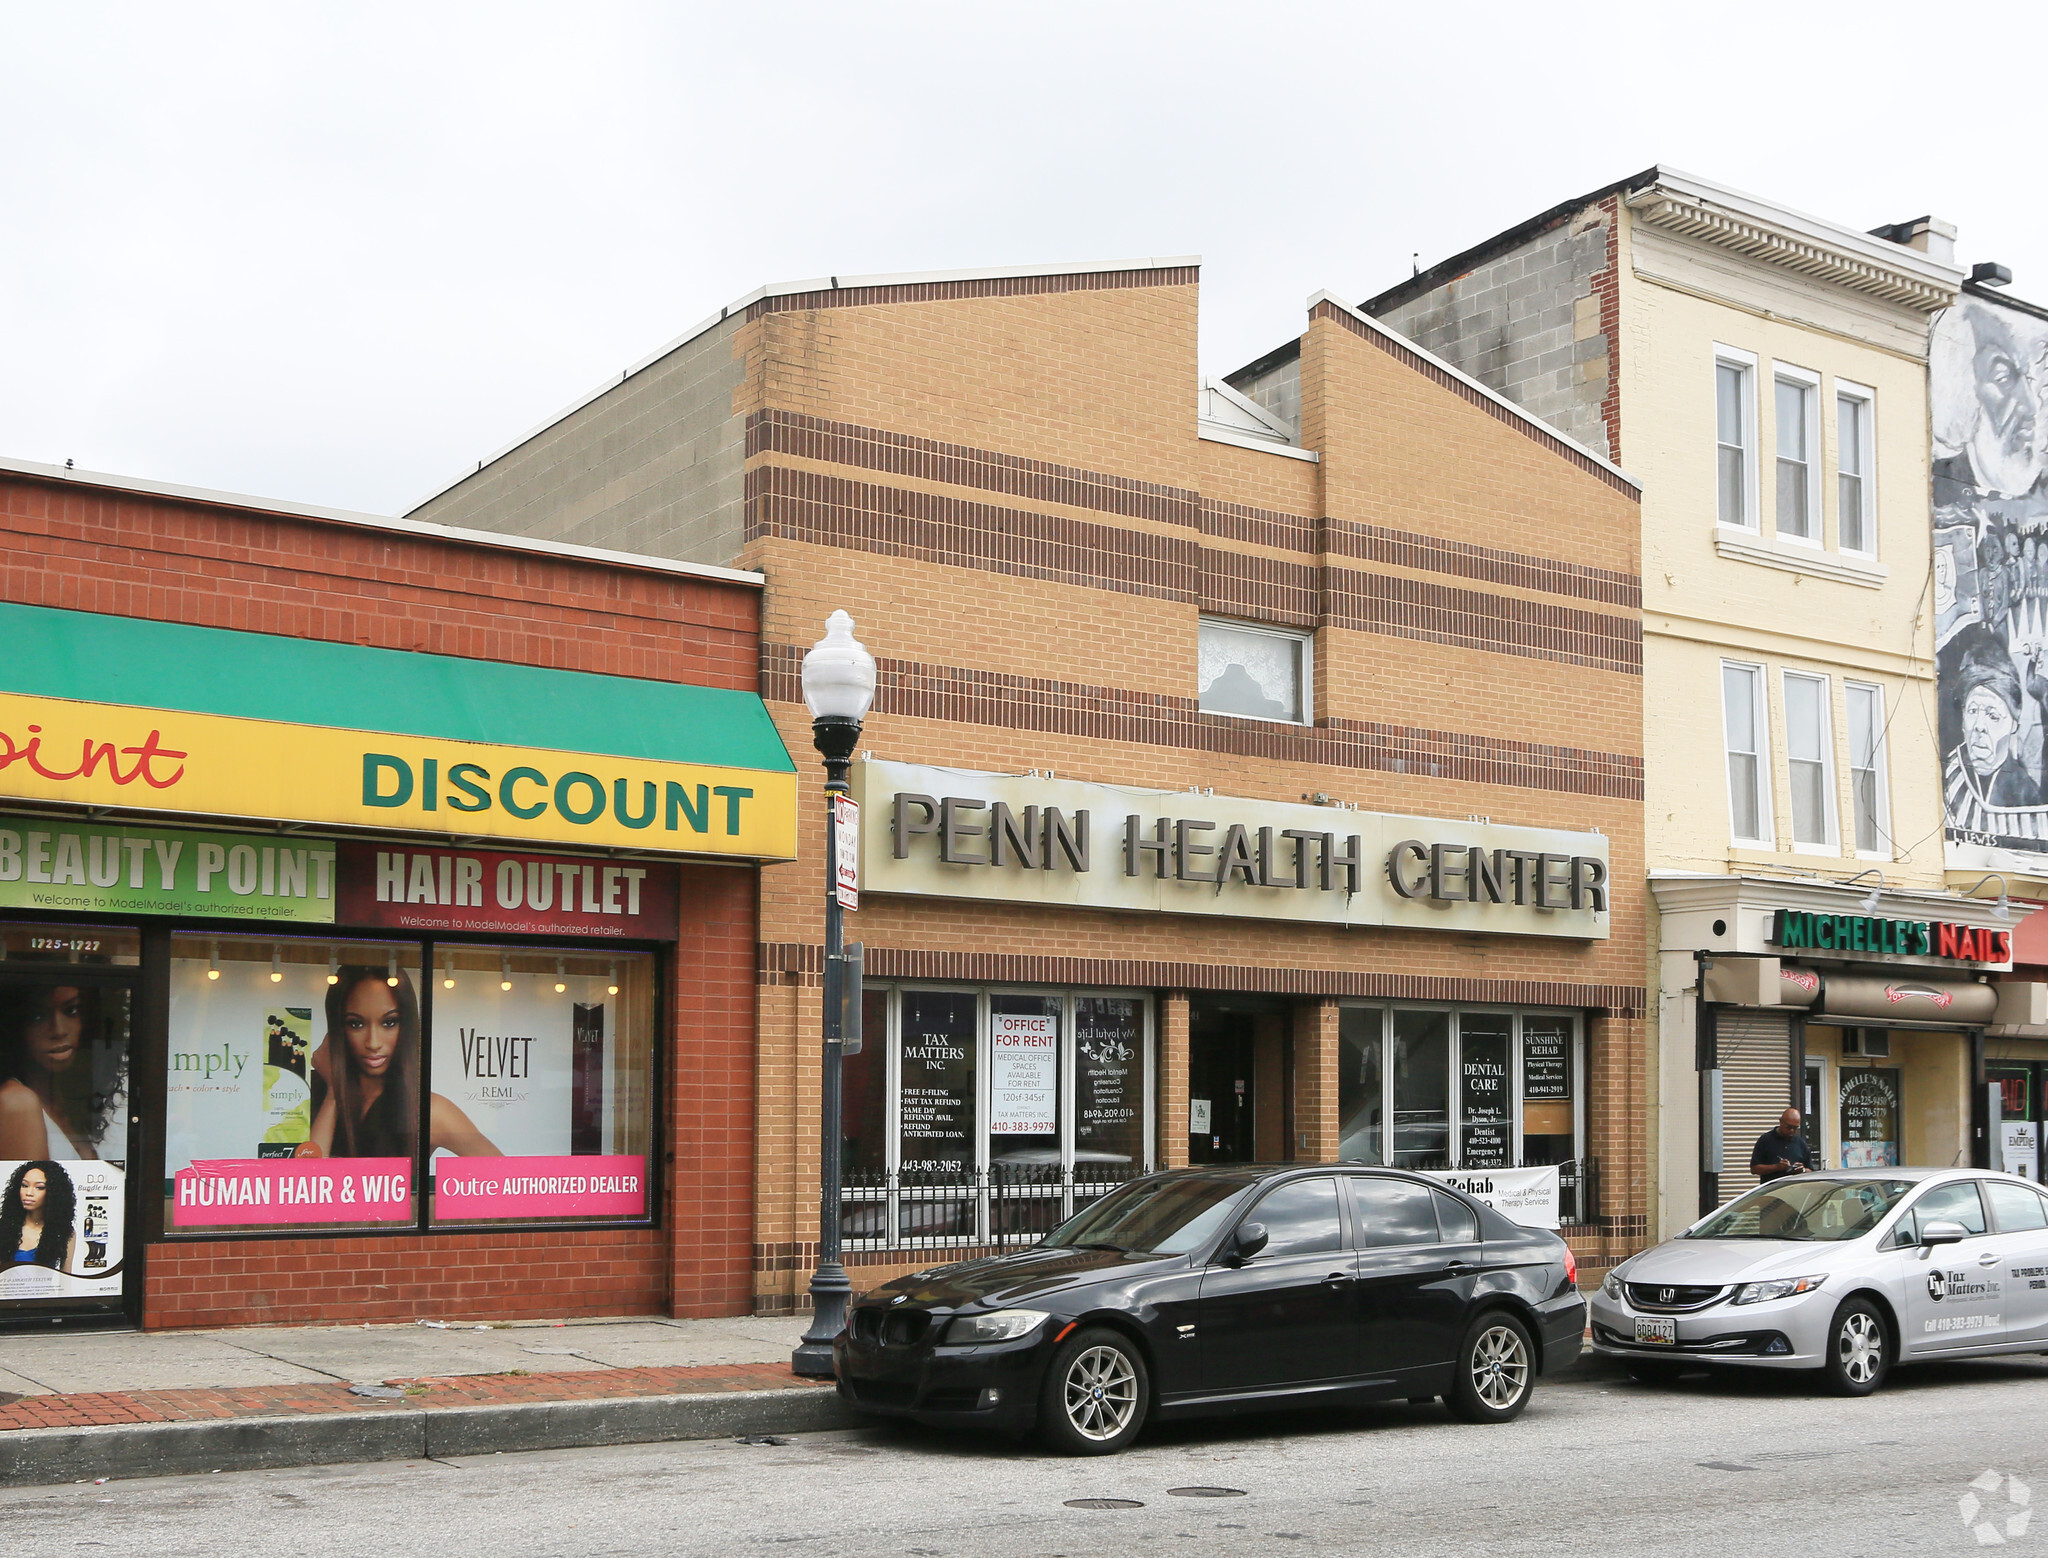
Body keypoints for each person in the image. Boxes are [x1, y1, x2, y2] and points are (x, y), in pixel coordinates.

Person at [298, 966, 501, 1159]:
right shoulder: (307, 1092)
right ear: (337, 1029)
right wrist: (333, 1094)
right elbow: (306, 1183)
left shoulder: (428, 1110)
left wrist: (437, 1195)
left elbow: (505, 1176)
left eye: (389, 1022)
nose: (373, 1042)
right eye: (356, 1023)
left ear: (406, 1025)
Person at [0, 985, 104, 1161]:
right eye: (37, 1016)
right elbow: (30, 1187)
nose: (59, 1030)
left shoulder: (65, 1100)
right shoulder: (17, 1102)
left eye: (71, 1011)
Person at [0, 1161, 76, 1274]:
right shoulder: (4, 1227)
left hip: (45, 1291)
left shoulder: (63, 1232)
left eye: (39, 1187)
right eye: (24, 1185)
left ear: (53, 1192)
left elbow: (66, 1280)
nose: (29, 1193)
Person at [1750, 1108, 1814, 1183]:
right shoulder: (1765, 1140)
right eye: (1788, 1127)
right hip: (1772, 1190)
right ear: (1781, 1121)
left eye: (1795, 1128)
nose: (1792, 1131)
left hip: (1795, 1190)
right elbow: (1754, 1169)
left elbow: (1811, 1171)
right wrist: (1777, 1167)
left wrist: (1802, 1170)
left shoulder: (1801, 1143)